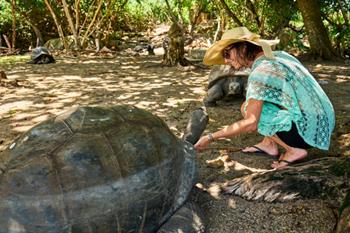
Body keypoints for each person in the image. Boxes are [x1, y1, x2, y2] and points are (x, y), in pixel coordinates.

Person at [194, 27, 335, 169]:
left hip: (307, 132)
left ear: (243, 48)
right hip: (323, 121)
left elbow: (251, 123)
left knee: (247, 108)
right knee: (262, 103)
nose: (225, 60)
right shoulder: (279, 56)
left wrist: (211, 137)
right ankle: (269, 143)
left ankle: (293, 150)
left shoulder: (260, 73)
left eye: (227, 53)